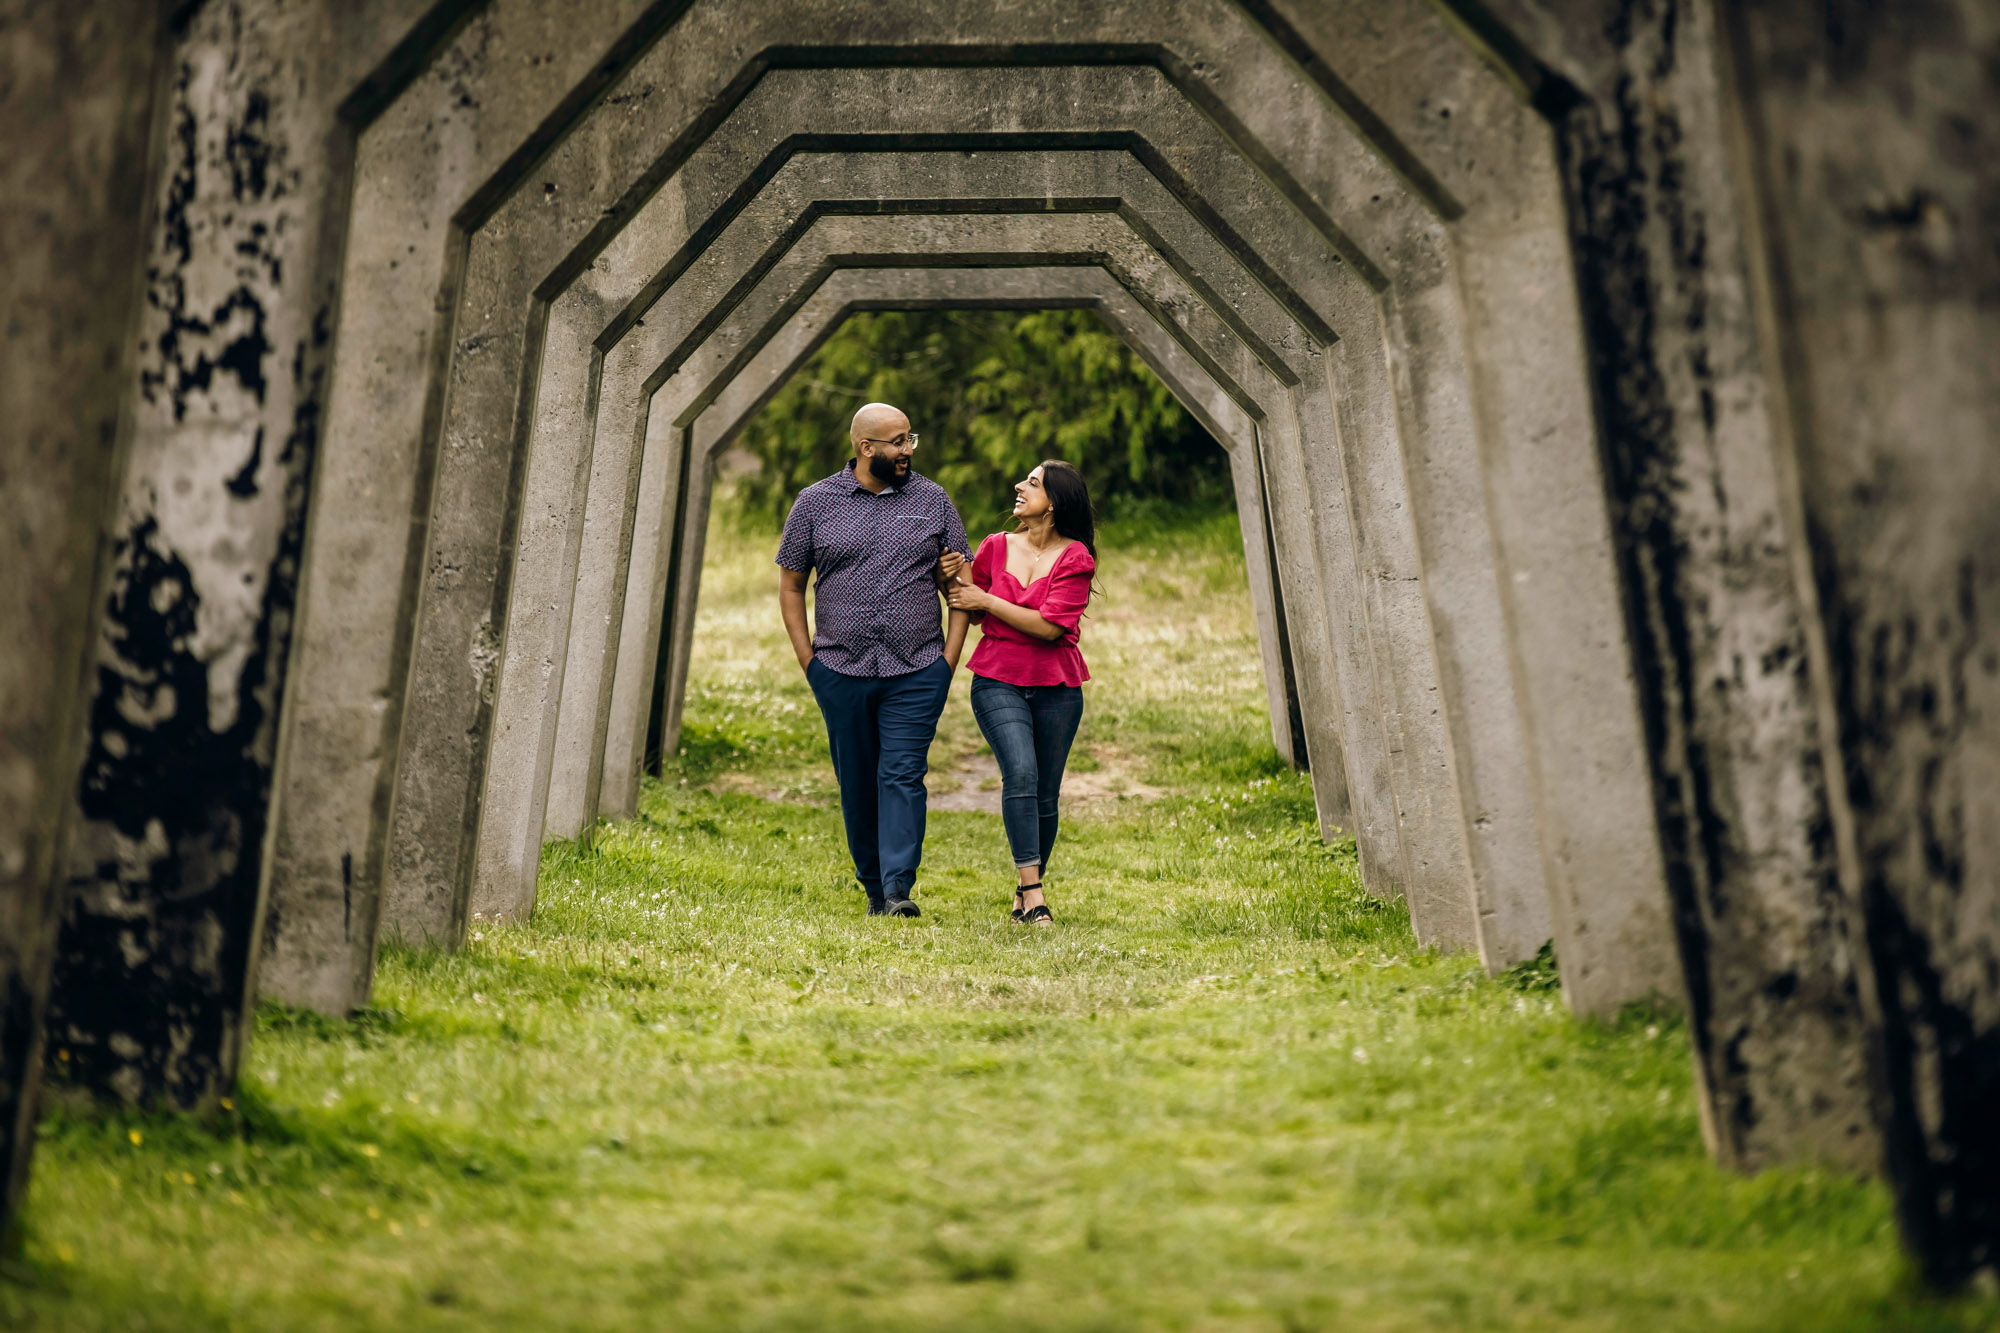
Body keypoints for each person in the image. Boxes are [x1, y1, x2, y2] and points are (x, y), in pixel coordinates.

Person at [777, 403, 971, 918]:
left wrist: (948, 661)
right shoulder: (815, 503)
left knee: (903, 774)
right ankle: (872, 888)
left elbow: (961, 583)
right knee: (858, 780)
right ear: (867, 448)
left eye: (911, 439)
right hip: (840, 669)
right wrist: (809, 662)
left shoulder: (933, 501)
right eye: (898, 441)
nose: (908, 450)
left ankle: (898, 889)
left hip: (918, 667)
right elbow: (792, 583)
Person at [940, 461, 1097, 926]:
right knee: (1022, 774)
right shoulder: (994, 547)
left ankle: (1023, 893)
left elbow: (1050, 627)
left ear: (1055, 502)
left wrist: (986, 600)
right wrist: (947, 578)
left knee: (1046, 795)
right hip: (997, 679)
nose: (1019, 486)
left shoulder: (1076, 558)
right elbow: (965, 607)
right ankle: (1035, 893)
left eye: (1032, 483)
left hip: (1058, 688)